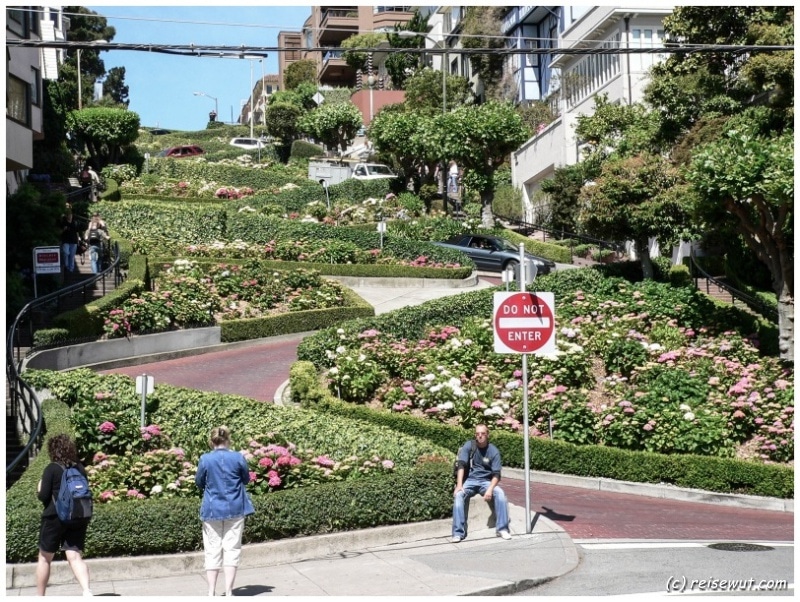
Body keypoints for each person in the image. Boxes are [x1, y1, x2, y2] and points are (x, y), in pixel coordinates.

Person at [195, 426, 255, 597]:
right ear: (228, 440)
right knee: (232, 549)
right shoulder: (238, 457)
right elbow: (246, 479)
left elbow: (199, 482)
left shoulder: (205, 459)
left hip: (212, 508)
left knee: (212, 549)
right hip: (235, 508)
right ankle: (229, 591)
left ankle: (211, 591)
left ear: (211, 441)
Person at [36, 434, 93, 596]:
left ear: (52, 451)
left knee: (45, 558)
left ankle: (39, 597)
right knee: (74, 555)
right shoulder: (80, 468)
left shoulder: (51, 468)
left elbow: (44, 496)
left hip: (55, 517)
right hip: (77, 516)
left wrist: (39, 487)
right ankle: (87, 591)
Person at [452, 423, 511, 543]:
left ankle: (502, 529)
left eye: (483, 434)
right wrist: (459, 485)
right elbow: (461, 465)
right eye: (477, 434)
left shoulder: (493, 451)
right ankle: (458, 533)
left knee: (500, 493)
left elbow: (497, 475)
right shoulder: (469, 445)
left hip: (486, 482)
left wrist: (490, 489)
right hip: (470, 480)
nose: (480, 436)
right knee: (458, 496)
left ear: (487, 434)